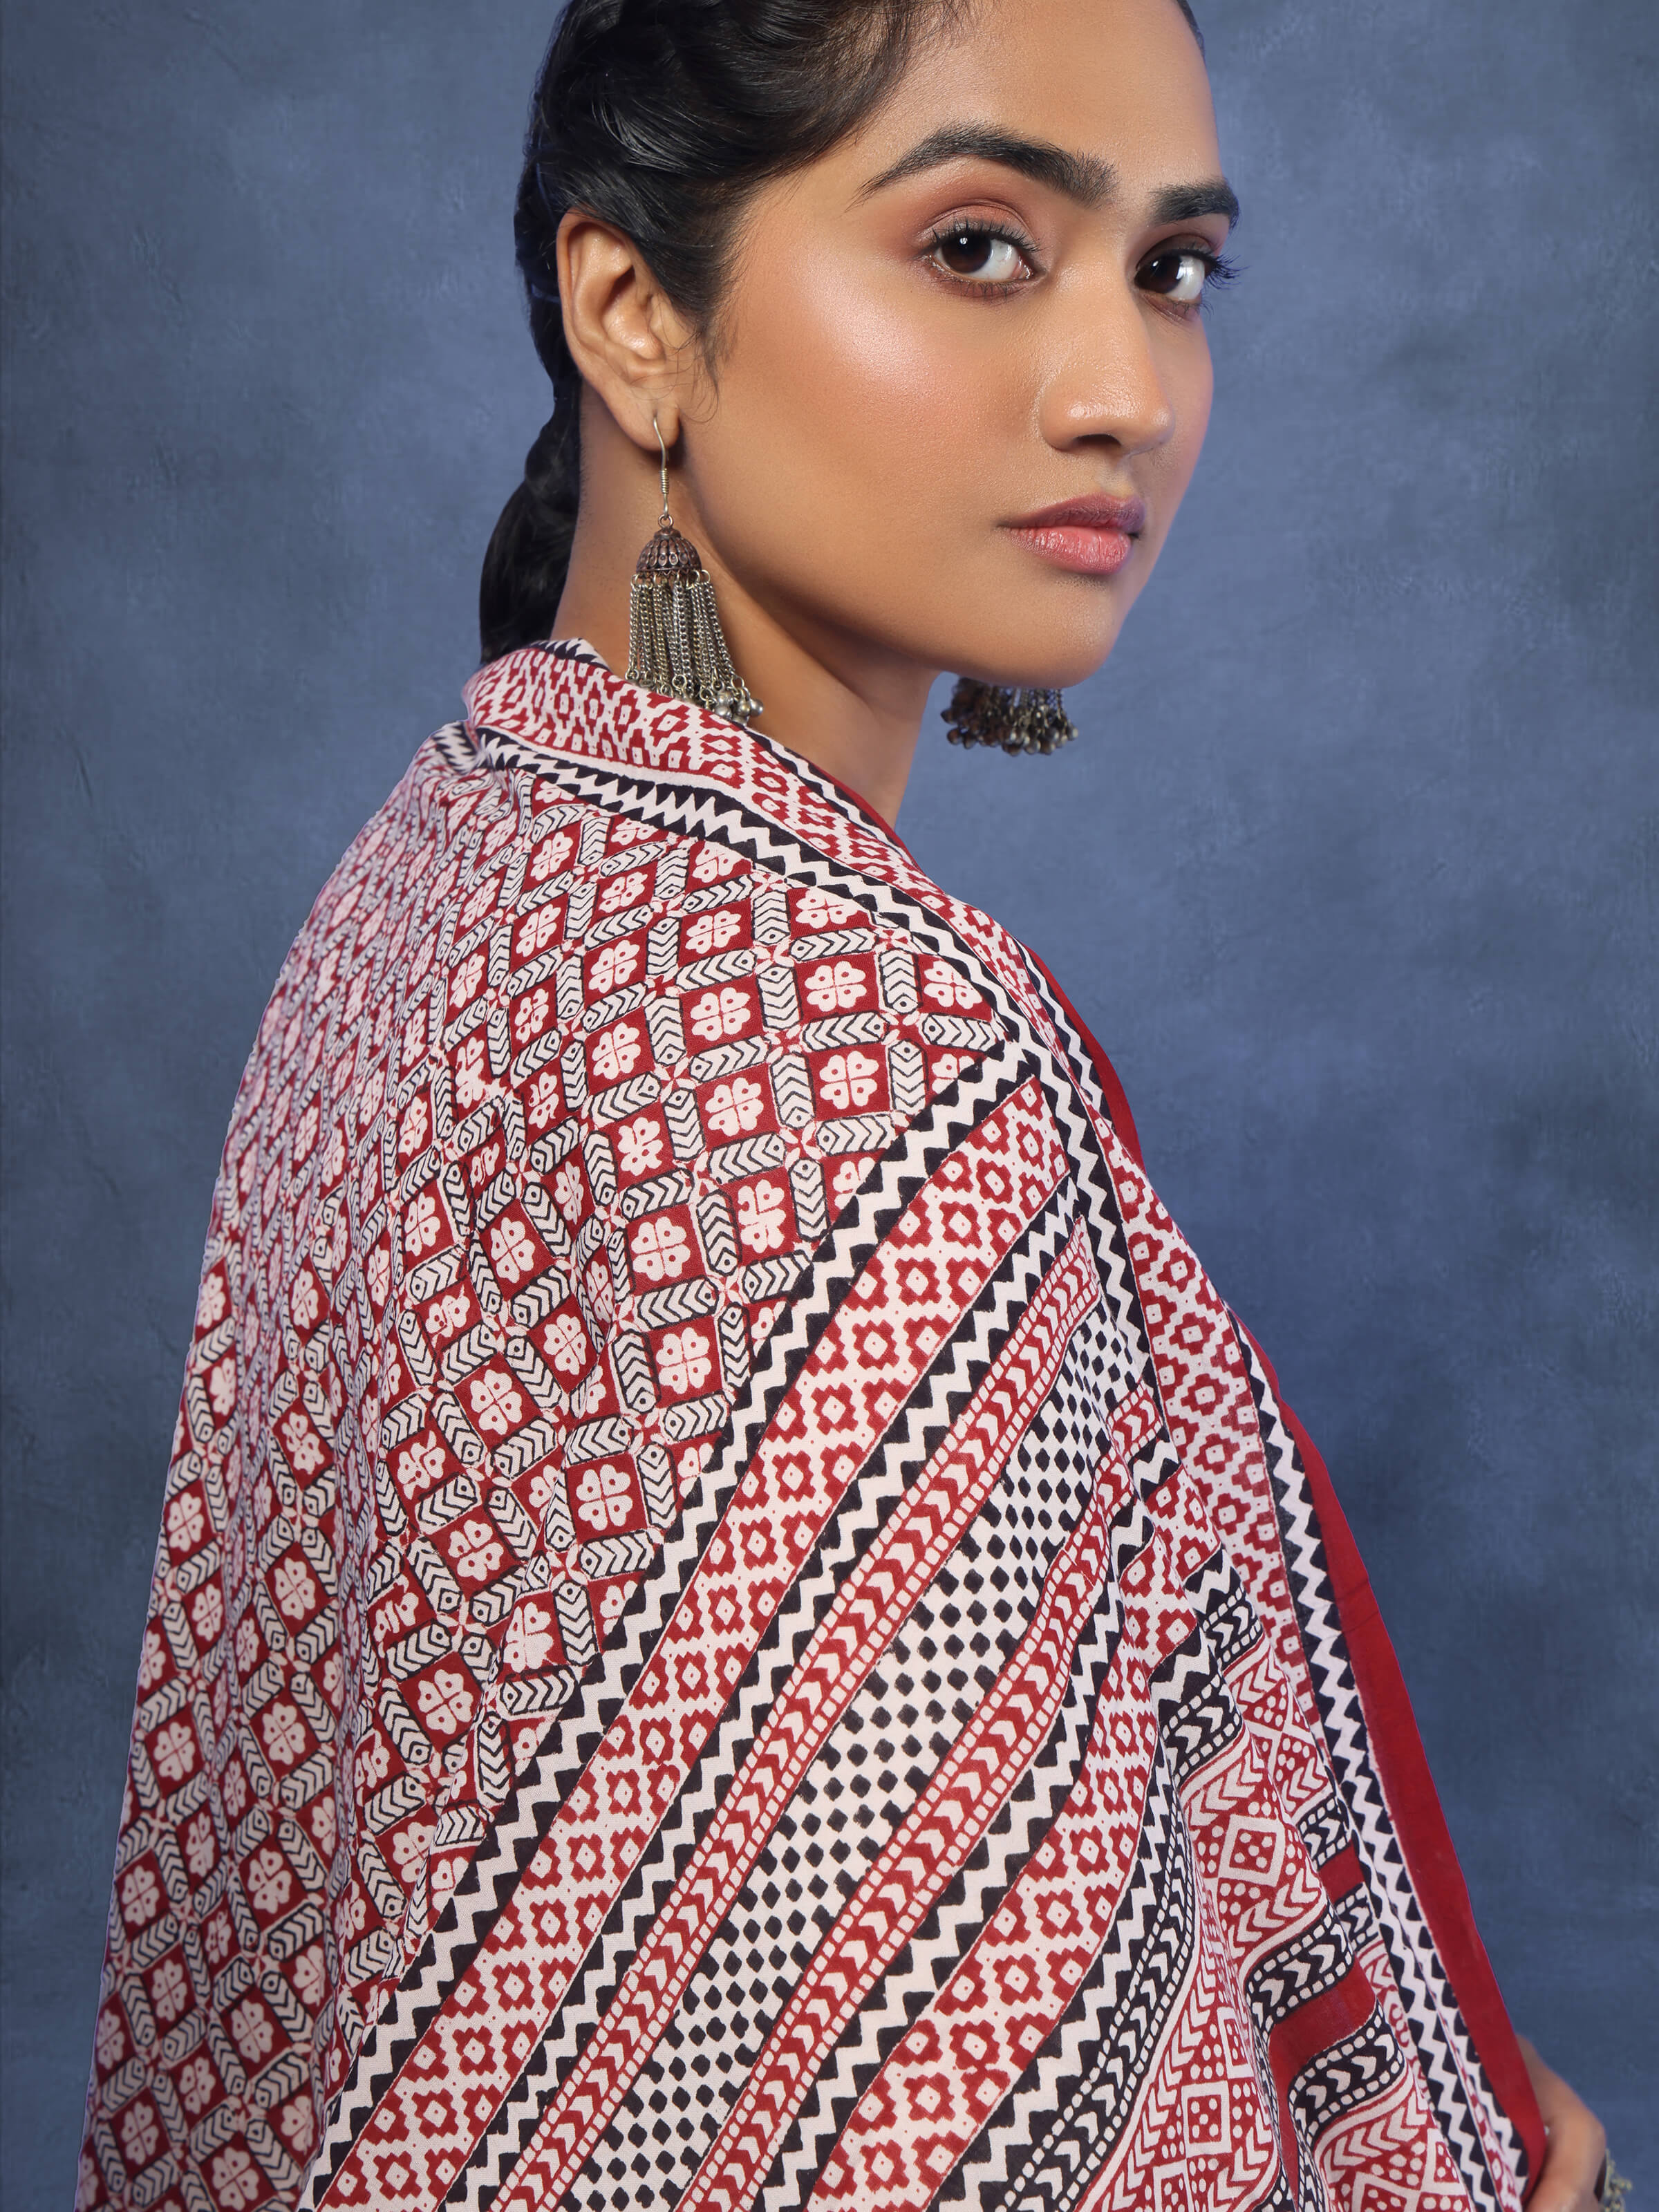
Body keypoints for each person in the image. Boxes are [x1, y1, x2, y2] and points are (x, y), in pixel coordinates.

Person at [77, 1, 1611, 2207]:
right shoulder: (873, 1047)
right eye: (981, 247)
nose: (1123, 388)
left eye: (1172, 269)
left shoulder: (452, 841)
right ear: (636, 314)